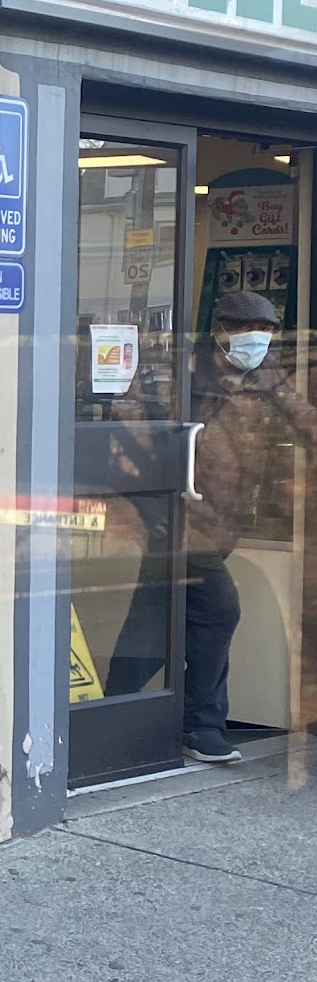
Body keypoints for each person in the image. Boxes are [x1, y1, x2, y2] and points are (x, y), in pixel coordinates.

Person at [178, 289, 317, 765]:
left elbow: (303, 418)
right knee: (219, 611)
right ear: (221, 330)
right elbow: (145, 436)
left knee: (157, 621)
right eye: (247, 329)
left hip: (223, 523)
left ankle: (118, 704)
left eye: (266, 330)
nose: (258, 339)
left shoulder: (265, 373)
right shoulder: (186, 374)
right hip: (180, 522)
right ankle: (201, 726)